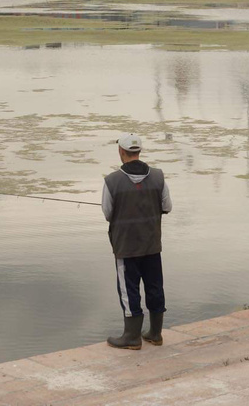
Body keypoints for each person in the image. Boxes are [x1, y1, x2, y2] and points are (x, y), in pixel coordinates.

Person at [101, 132, 172, 350]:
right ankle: (155, 334)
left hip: (126, 248)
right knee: (155, 287)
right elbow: (167, 207)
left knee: (128, 290)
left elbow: (107, 213)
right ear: (138, 151)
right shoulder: (159, 176)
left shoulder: (111, 181)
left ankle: (132, 337)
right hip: (152, 246)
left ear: (121, 152)